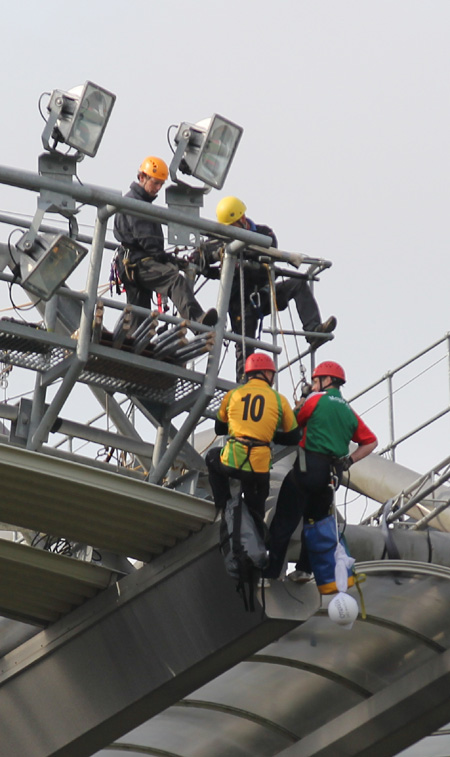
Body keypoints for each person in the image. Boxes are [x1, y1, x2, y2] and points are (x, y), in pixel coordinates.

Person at [200, 196, 336, 381]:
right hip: (239, 301)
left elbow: (268, 249)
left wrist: (238, 253)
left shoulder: (264, 234)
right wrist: (210, 259)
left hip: (263, 293)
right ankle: (245, 381)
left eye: (233, 226)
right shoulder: (219, 239)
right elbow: (201, 255)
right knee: (244, 343)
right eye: (227, 227)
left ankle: (313, 331)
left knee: (297, 283)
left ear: (242, 219)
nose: (231, 230)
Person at [265, 360, 378, 580]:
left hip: (307, 469)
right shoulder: (348, 411)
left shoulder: (316, 400)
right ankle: (304, 570)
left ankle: (271, 571)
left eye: (316, 381)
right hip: (331, 476)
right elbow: (371, 442)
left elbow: (293, 423)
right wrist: (349, 460)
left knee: (284, 519)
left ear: (327, 380)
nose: (314, 386)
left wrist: (300, 404)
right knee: (314, 522)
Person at [113, 155, 217, 332]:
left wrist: (166, 258)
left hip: (134, 264)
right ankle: (197, 320)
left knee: (140, 311)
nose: (158, 188)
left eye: (161, 184)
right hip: (139, 264)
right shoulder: (136, 204)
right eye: (155, 183)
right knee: (174, 279)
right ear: (142, 177)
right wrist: (167, 259)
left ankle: (132, 341)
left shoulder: (138, 202)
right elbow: (148, 241)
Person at [206, 352, 300, 535]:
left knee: (212, 457)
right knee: (256, 507)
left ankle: (224, 505)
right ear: (265, 373)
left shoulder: (233, 395)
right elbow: (294, 437)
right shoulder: (279, 400)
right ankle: (256, 535)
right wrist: (269, 436)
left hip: (232, 462)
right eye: (272, 374)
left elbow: (219, 428)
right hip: (258, 469)